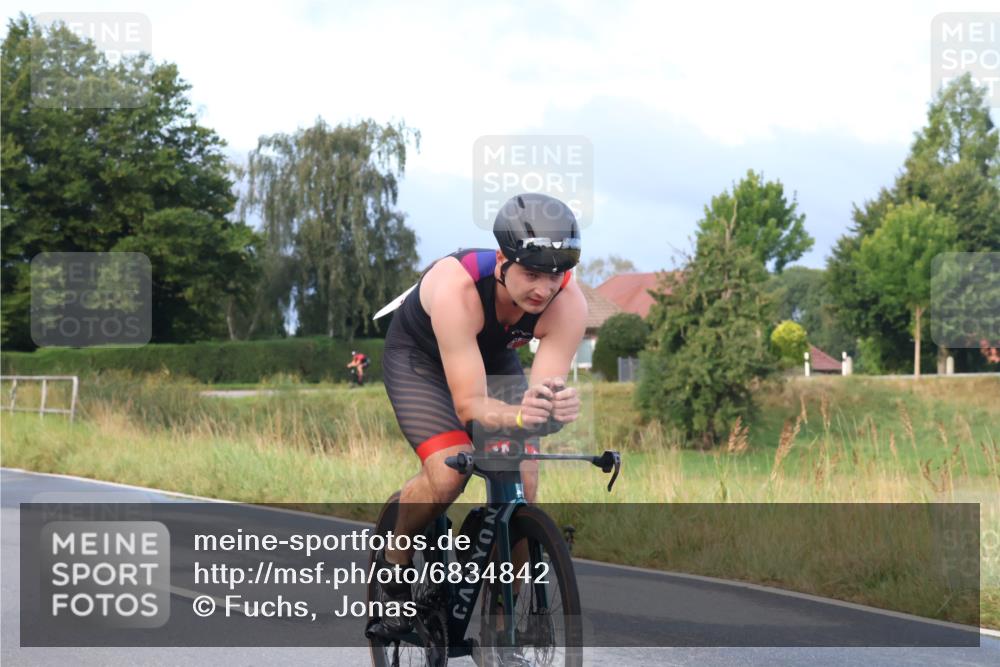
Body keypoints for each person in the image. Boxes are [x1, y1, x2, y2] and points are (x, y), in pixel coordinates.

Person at [376, 193, 587, 635]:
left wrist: (553, 408)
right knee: (449, 472)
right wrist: (517, 417)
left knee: (523, 487)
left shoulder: (568, 305)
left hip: (491, 359)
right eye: (531, 274)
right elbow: (469, 404)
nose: (543, 289)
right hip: (420, 359)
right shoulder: (457, 289)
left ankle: (498, 616)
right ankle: (394, 562)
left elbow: (541, 397)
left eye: (555, 276)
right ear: (502, 262)